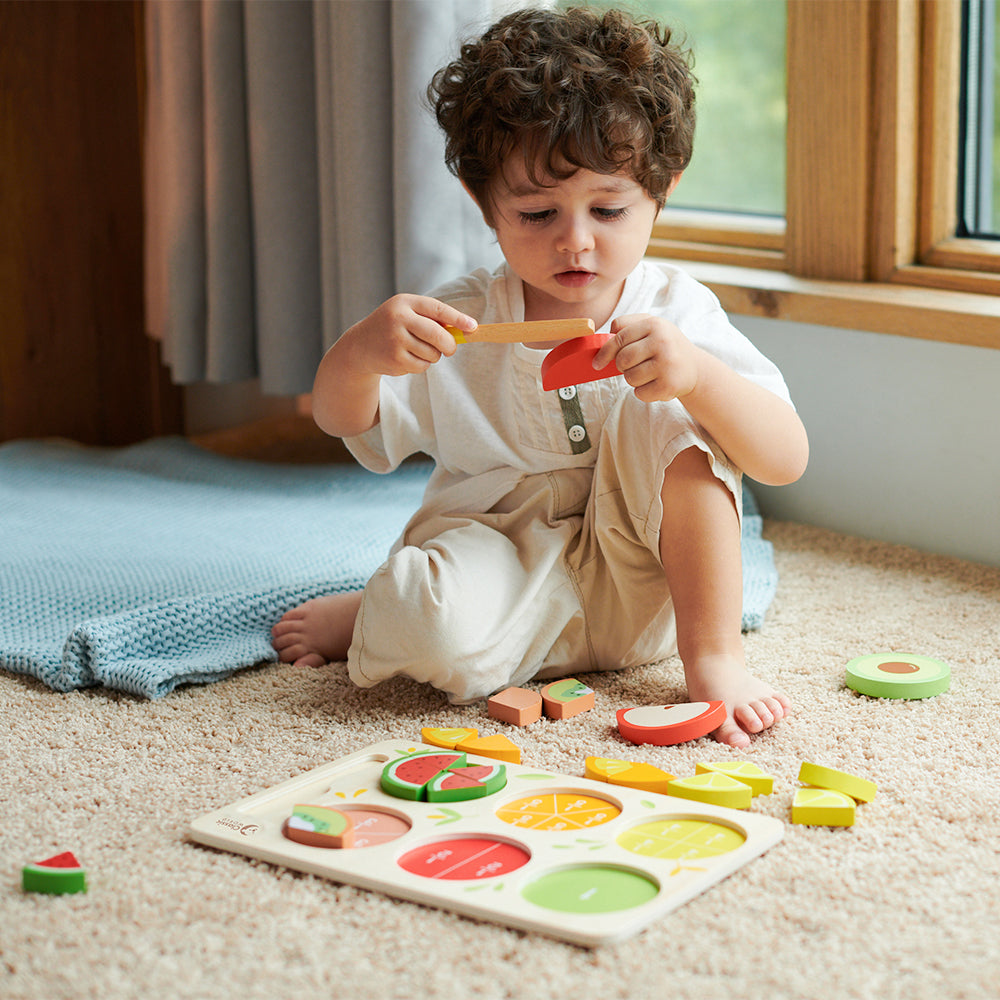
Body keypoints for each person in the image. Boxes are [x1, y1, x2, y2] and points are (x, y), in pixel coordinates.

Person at [271, 6, 808, 747]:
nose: (576, 242)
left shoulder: (677, 309)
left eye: (610, 209)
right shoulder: (458, 319)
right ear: (482, 201)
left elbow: (785, 458)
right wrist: (359, 354)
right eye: (536, 213)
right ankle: (373, 613)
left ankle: (716, 656)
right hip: (503, 566)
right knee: (421, 621)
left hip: (644, 588)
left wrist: (697, 377)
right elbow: (347, 422)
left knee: (670, 414)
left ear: (662, 190)